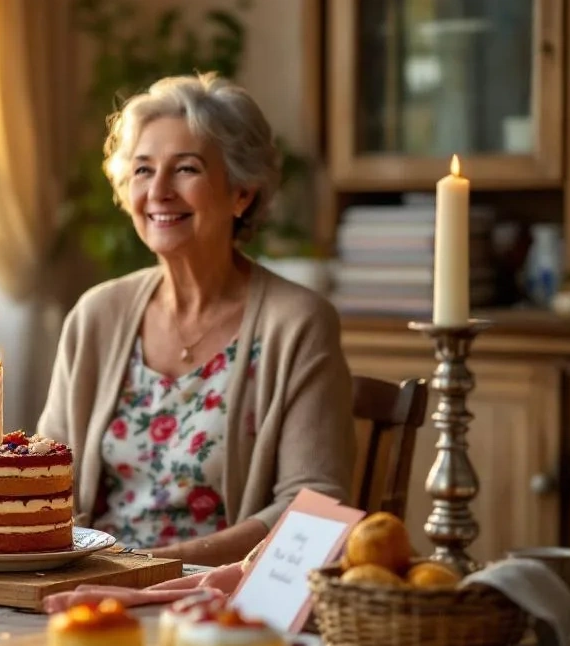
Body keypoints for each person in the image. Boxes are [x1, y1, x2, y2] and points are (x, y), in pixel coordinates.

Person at [37, 72, 354, 566]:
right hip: (91, 587)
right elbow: (46, 484)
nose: (159, 191)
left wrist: (161, 568)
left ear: (241, 193)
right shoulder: (95, 315)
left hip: (221, 597)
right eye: (142, 171)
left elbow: (311, 505)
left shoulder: (298, 323)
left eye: (185, 169)